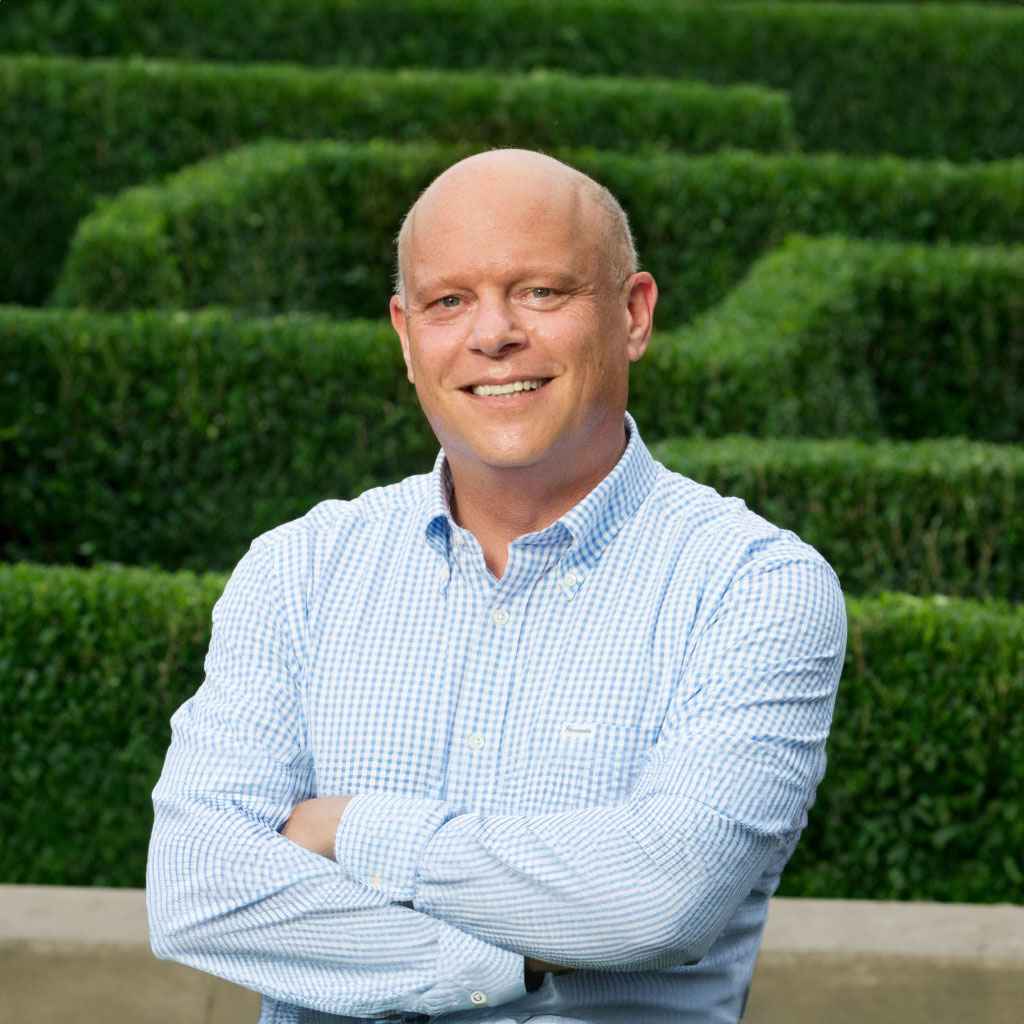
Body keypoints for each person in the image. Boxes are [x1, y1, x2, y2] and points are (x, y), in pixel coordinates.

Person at [147, 149, 847, 1023]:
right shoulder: (300, 568)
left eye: (541, 292)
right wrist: (516, 952)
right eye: (450, 302)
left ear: (633, 315)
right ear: (406, 336)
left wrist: (354, 830)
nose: (493, 334)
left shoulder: (753, 588)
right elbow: (199, 891)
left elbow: (658, 901)